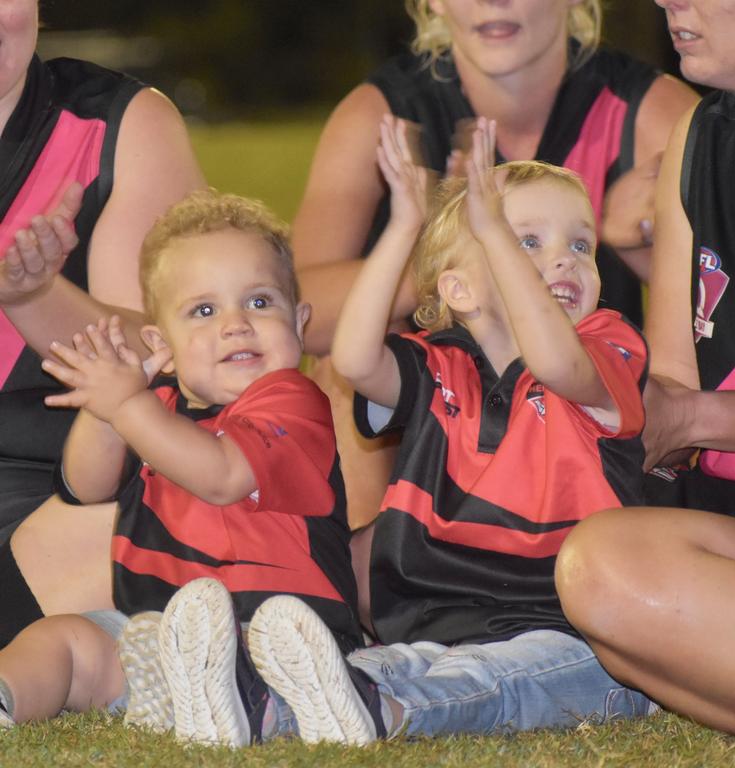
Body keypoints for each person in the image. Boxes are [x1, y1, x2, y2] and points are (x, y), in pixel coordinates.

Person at [233, 115, 653, 744]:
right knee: (382, 666)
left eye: (581, 245)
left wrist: (493, 232)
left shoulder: (605, 346)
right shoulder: (442, 366)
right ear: (458, 289)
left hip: (575, 636)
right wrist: (403, 227)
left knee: (491, 679)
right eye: (528, 241)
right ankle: (262, 707)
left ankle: (384, 715)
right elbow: (352, 359)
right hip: (438, 628)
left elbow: (556, 364)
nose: (564, 258)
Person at [292, 0, 698, 538]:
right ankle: (363, 584)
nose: (492, 2)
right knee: (338, 381)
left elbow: (729, 298)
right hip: (449, 403)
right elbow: (297, 314)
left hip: (591, 402)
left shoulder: (652, 110)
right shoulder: (384, 115)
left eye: (579, 242)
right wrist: (447, 245)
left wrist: (641, 242)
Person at [0, 191, 362, 748]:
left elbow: (221, 476)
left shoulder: (293, 400)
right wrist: (107, 408)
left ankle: (230, 702)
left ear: (301, 320)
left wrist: (128, 406)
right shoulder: (156, 407)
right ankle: (7, 696)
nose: (237, 325)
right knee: (63, 638)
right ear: (160, 344)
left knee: (261, 656)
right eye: (204, 311)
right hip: (149, 638)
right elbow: (87, 487)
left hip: (269, 640)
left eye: (261, 303)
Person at [555, 0, 735, 741]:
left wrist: (697, 418)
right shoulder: (701, 137)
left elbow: (690, 409)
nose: (670, 0)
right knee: (598, 568)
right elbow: (673, 377)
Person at [0, 1, 205, 646]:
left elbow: (188, 355)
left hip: (54, 497)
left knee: (184, 537)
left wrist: (33, 297)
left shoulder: (113, 124)